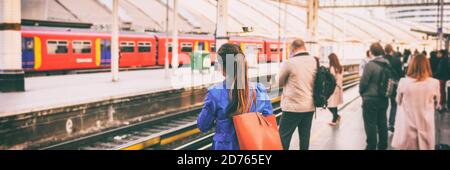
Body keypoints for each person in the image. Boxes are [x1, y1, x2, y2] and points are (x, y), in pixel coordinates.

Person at [197, 43, 273, 150]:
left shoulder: (215, 93)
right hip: (253, 145)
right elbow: (268, 117)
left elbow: (203, 125)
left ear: (223, 66)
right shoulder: (259, 90)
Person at [391, 54, 440, 150]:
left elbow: (398, 101)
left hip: (407, 127)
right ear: (427, 66)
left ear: (411, 65)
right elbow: (437, 104)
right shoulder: (434, 83)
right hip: (425, 126)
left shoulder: (403, 82)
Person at [278, 39, 317, 150]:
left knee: (283, 138)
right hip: (309, 106)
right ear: (304, 47)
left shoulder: (290, 62)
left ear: (293, 49)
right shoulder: (313, 61)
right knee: (305, 138)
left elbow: (279, 82)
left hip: (292, 107)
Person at [359, 42, 389, 150]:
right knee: (382, 122)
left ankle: (371, 146)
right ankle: (383, 145)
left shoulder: (370, 65)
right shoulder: (387, 63)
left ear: (371, 52)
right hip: (383, 98)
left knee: (370, 123)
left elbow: (363, 82)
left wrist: (361, 92)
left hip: (370, 99)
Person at [383, 44, 402, 132]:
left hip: (383, 85)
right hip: (394, 85)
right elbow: (401, 74)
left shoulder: (381, 59)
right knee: (394, 104)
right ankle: (391, 124)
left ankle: (382, 123)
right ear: (391, 50)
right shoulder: (397, 60)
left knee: (383, 105)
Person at [327, 53, 344, 126]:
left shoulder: (332, 68)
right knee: (335, 104)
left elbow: (332, 79)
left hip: (333, 88)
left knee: (329, 104)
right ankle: (335, 118)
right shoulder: (340, 67)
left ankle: (335, 118)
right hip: (339, 87)